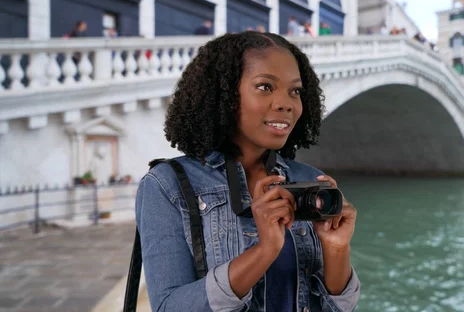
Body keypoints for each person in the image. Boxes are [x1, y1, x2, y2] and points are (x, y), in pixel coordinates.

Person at [136, 31, 360, 311]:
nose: (286, 103)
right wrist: (264, 252)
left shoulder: (310, 181)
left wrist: (337, 248)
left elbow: (338, 308)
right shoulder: (166, 185)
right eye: (265, 86)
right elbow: (169, 307)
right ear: (224, 94)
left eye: (295, 91)